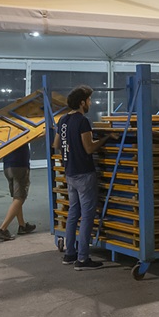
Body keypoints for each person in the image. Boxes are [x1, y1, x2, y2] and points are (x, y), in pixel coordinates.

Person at [52, 85, 109, 270]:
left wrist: (70, 148)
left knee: (73, 214)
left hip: (70, 173)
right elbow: (89, 148)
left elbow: (56, 144)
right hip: (84, 173)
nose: (90, 103)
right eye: (89, 100)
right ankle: (83, 258)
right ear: (82, 102)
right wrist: (106, 139)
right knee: (86, 216)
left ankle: (70, 254)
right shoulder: (83, 121)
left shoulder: (63, 120)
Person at [0, 143, 36, 241]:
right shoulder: (19, 133)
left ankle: (22, 225)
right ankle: (2, 229)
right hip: (19, 164)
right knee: (20, 198)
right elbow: (31, 137)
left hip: (7, 165)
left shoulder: (6, 133)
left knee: (16, 197)